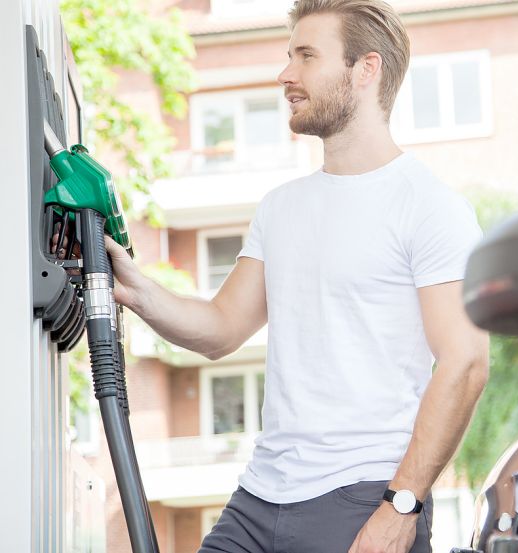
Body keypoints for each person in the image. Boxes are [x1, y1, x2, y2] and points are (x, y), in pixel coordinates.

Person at [104, 1, 490, 552]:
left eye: (306, 56)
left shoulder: (429, 206)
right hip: (260, 497)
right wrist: (135, 288)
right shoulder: (281, 208)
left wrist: (402, 506)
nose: (286, 74)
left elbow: (466, 362)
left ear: (366, 70)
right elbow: (220, 328)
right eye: (289, 56)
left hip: (360, 498)